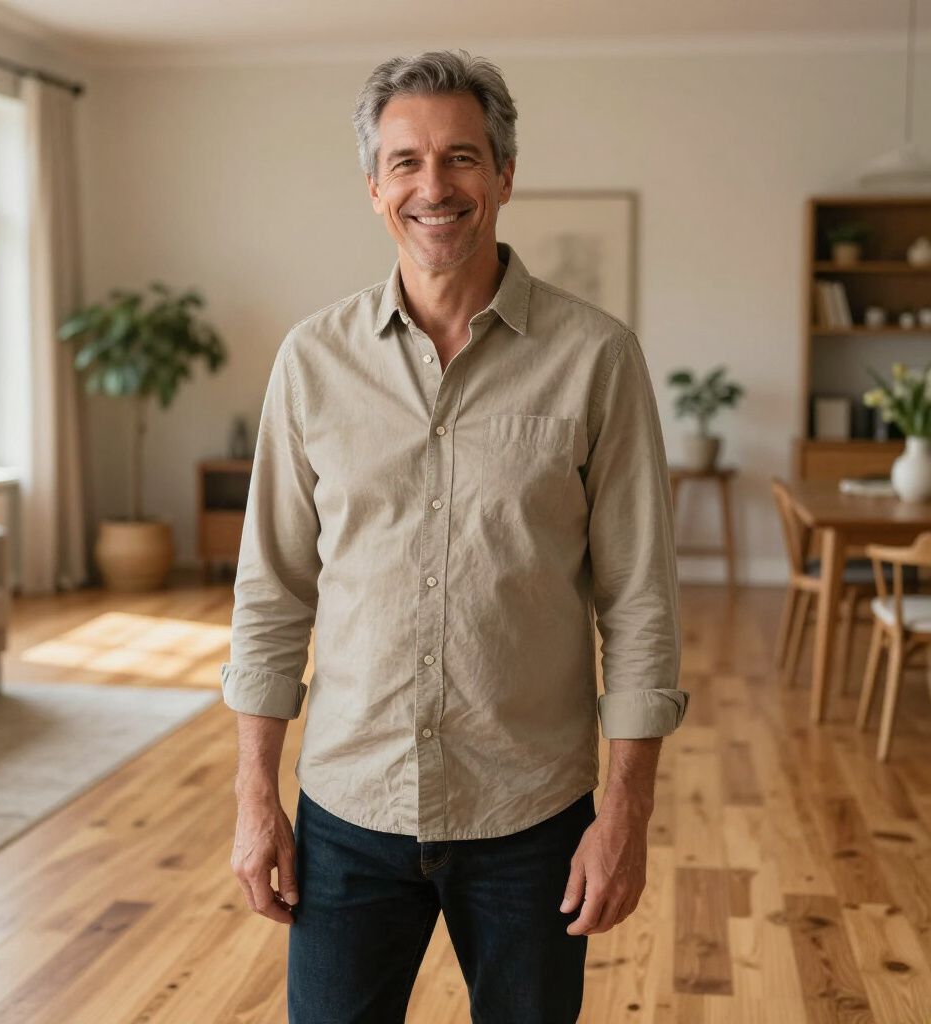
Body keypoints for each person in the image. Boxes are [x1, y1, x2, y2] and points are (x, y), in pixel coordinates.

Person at [221, 48, 689, 1024]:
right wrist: (255, 795)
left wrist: (626, 814)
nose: (434, 185)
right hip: (348, 813)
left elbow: (639, 600)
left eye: (461, 158)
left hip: (532, 820)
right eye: (405, 161)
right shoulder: (311, 362)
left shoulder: (596, 359)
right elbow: (271, 593)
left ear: (504, 175)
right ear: (374, 186)